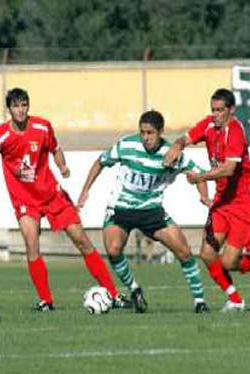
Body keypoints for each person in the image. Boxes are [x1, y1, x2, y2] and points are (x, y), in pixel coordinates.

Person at [0, 87, 131, 311]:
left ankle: (113, 294)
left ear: (28, 106)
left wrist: (62, 166)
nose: (21, 110)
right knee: (32, 244)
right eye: (16, 106)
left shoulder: (42, 127)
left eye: (24, 105)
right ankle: (46, 301)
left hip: (52, 194)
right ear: (9, 109)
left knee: (82, 240)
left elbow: (56, 149)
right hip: (24, 200)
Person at [77, 110, 210, 313]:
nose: (146, 137)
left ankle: (200, 302)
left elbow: (197, 173)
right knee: (113, 249)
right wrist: (85, 191)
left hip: (151, 211)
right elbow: (100, 162)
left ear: (160, 132)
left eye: (150, 133)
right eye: (143, 132)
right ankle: (134, 289)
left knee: (183, 251)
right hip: (120, 208)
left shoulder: (170, 153)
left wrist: (204, 196)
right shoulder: (127, 145)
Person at [164, 88, 250, 312]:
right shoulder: (209, 124)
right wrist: (177, 145)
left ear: (231, 110)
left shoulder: (235, 131)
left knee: (229, 263)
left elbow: (229, 169)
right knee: (206, 253)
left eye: (220, 110)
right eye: (213, 110)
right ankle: (235, 299)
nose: (216, 115)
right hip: (222, 201)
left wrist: (200, 177)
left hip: (243, 201)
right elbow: (185, 138)